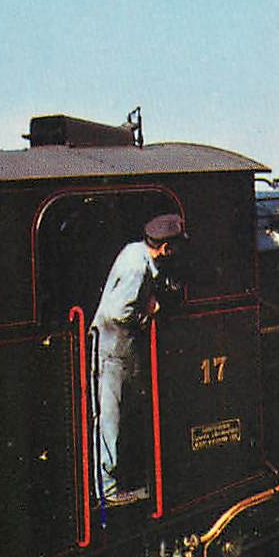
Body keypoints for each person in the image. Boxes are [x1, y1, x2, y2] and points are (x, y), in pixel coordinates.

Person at [91, 214, 185, 504]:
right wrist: (147, 311)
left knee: (116, 418)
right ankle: (106, 493)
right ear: (166, 248)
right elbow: (119, 312)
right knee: (109, 420)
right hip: (112, 350)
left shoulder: (135, 251)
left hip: (119, 350)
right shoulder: (136, 266)